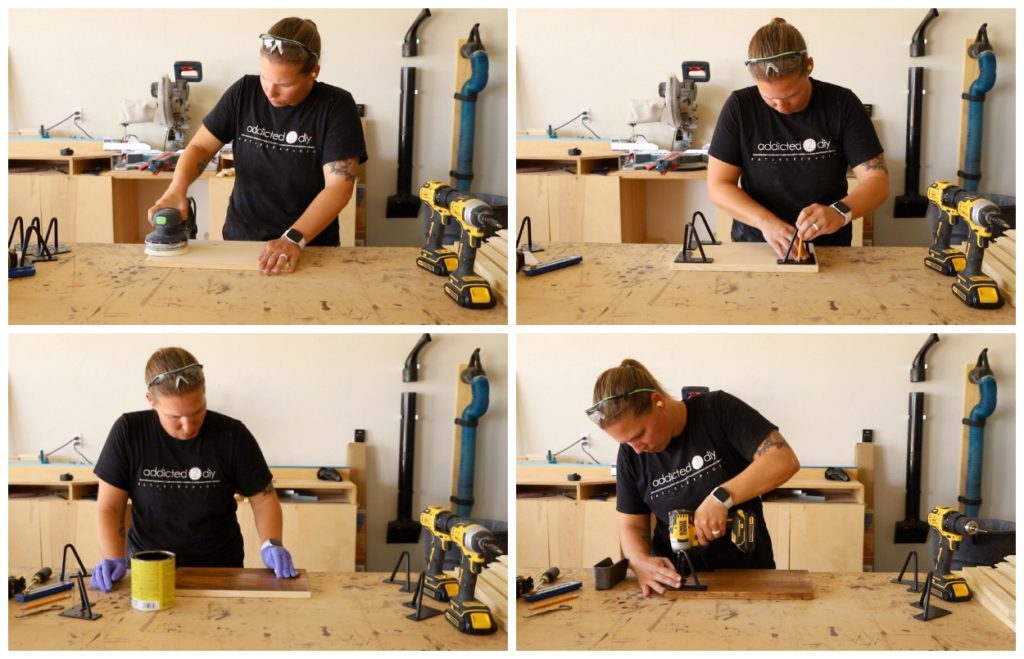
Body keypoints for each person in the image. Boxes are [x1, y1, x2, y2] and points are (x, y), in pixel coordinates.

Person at [148, 17, 368, 276]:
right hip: (242, 241)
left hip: (308, 245)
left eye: (284, 84)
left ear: (314, 72)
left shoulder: (335, 106)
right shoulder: (244, 91)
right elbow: (200, 148)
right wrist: (177, 188)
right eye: (265, 78)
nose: (270, 92)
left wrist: (293, 238)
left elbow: (338, 188)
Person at [90, 347, 296, 592]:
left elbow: (263, 498)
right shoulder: (129, 432)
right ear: (151, 401)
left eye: (197, 411)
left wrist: (271, 544)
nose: (188, 426)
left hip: (220, 570)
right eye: (175, 417)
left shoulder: (232, 435)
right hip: (149, 569)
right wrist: (114, 557)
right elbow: (110, 507)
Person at [588, 359, 800, 597]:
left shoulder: (717, 410)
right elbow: (631, 524)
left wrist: (721, 498)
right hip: (677, 585)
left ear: (657, 402)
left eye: (639, 435)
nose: (637, 449)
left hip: (748, 578)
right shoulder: (631, 455)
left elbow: (783, 460)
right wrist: (639, 561)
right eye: (626, 442)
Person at [707, 17, 889, 258]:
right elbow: (719, 185)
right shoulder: (740, 107)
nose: (781, 107)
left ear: (809, 66)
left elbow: (877, 180)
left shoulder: (841, 104)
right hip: (757, 246)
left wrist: (838, 212)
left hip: (829, 249)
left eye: (792, 94)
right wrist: (765, 222)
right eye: (770, 99)